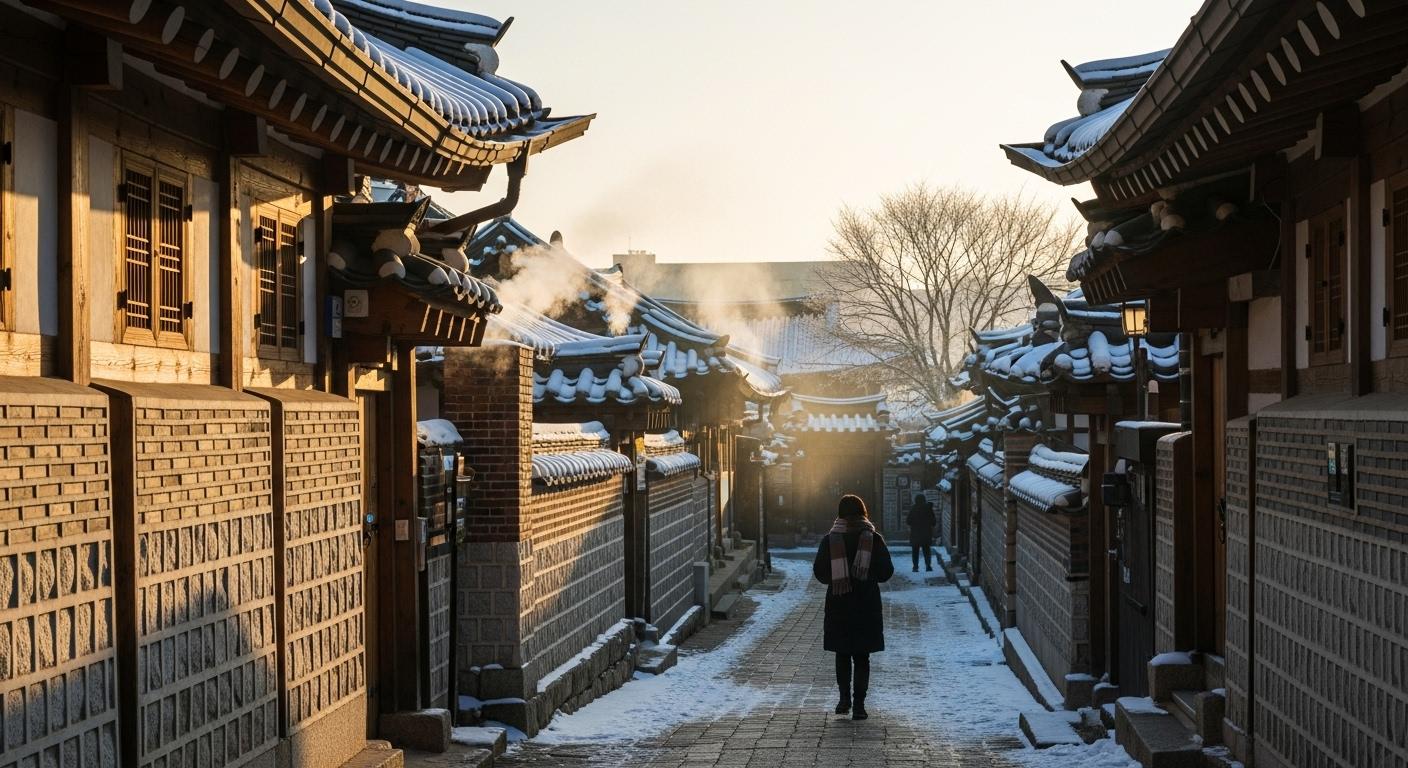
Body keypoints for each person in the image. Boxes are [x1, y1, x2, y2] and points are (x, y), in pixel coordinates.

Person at [812, 494, 895, 721]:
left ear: (840, 514)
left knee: (842, 654)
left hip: (839, 605)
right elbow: (886, 571)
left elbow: (819, 572)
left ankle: (843, 699)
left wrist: (838, 577)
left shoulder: (831, 540)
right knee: (861, 657)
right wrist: (867, 575)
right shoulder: (873, 538)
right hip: (866, 605)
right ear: (863, 512)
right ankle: (859, 705)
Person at [906, 493, 936, 572]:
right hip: (926, 534)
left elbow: (908, 521)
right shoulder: (928, 509)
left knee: (915, 551)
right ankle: (928, 566)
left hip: (915, 534)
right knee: (926, 551)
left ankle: (915, 567)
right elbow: (934, 522)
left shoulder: (913, 509)